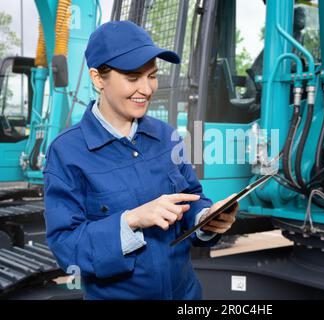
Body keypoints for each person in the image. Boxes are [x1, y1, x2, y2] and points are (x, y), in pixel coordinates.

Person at [43, 20, 239, 300]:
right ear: (98, 78)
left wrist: (207, 219)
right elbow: (67, 247)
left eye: (152, 75)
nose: (147, 89)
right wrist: (132, 220)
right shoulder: (67, 152)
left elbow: (192, 198)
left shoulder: (166, 136)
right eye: (133, 77)